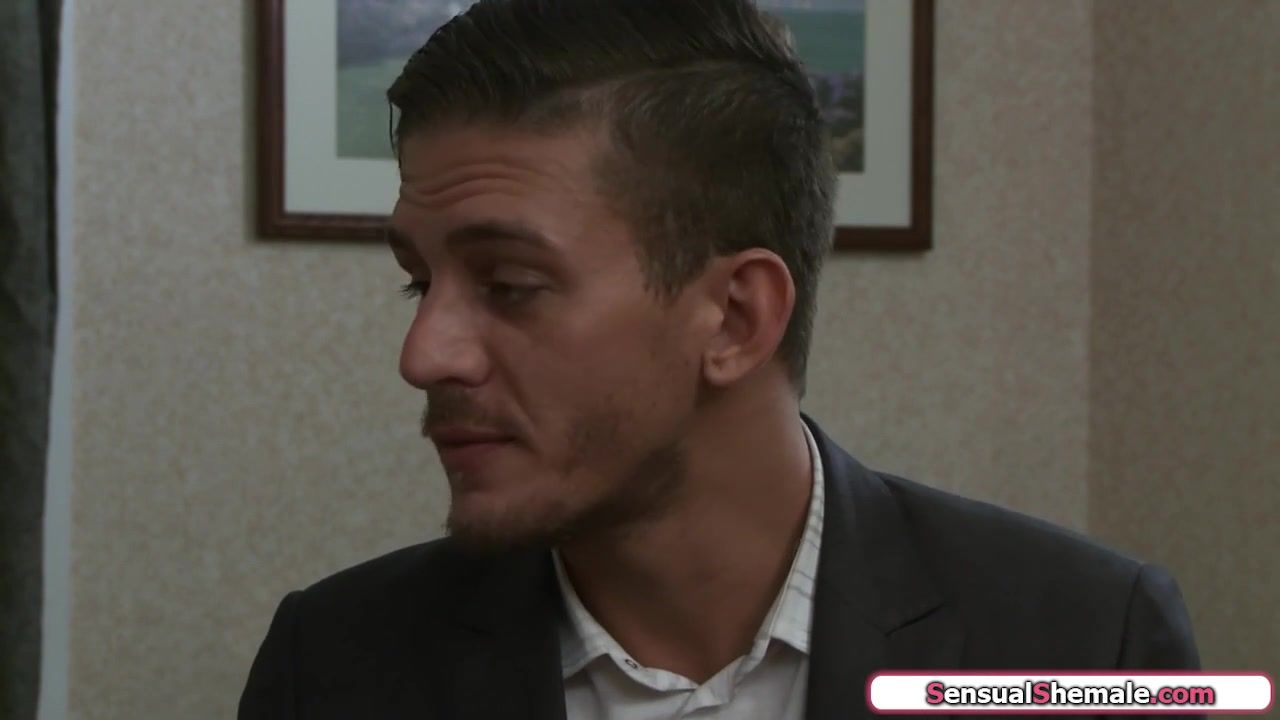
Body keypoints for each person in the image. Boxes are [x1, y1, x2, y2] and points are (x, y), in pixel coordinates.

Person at [239, 1, 1202, 718]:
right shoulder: (332, 668)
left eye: (510, 284)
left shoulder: (1084, 643)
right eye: (420, 284)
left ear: (736, 319)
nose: (424, 355)